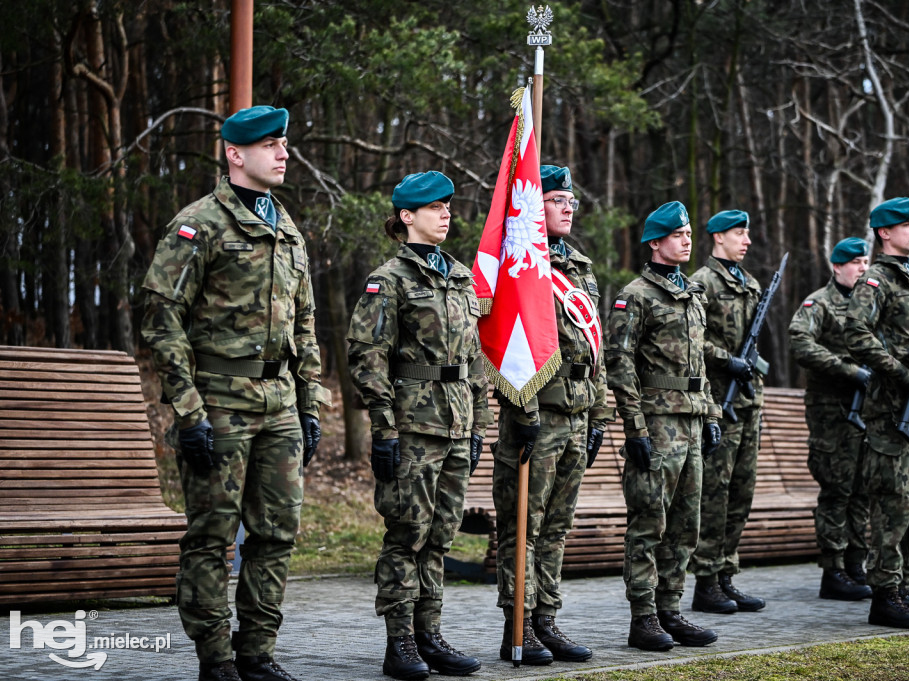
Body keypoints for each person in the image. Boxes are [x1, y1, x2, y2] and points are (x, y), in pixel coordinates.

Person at [141, 105, 331, 681]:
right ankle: (216, 657)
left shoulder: (286, 225)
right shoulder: (199, 223)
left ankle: (257, 652)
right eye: (271, 144)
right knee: (212, 535)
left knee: (277, 533)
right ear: (234, 153)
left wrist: (309, 401)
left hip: (279, 405)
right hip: (219, 403)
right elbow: (162, 316)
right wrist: (188, 407)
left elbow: (305, 323)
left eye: (285, 143)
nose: (283, 152)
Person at [347, 171, 490, 680]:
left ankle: (429, 633)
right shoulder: (390, 279)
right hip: (413, 426)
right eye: (434, 207)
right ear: (407, 216)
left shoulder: (459, 276)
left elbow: (475, 358)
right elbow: (367, 356)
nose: (446, 213)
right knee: (407, 534)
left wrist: (478, 426)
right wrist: (384, 430)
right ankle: (400, 641)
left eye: (449, 206)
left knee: (441, 536)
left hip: (456, 424)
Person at [491, 165, 613, 665]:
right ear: (532, 205)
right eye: (557, 199)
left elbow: (594, 349)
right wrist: (522, 410)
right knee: (524, 525)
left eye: (571, 201)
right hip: (538, 417)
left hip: (578, 415)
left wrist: (600, 415)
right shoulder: (520, 264)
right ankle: (517, 624)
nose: (567, 208)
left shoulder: (579, 266)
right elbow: (505, 348)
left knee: (557, 527)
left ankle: (547, 620)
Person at [605, 202, 722, 651]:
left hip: (692, 421)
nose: (687, 240)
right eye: (677, 234)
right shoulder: (635, 295)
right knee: (649, 522)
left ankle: (671, 610)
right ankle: (644, 617)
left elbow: (699, 365)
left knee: (685, 525)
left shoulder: (693, 293)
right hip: (657, 422)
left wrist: (711, 415)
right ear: (655, 243)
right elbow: (620, 363)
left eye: (689, 233)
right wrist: (635, 429)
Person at [844, 197, 909, 629]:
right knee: (894, 504)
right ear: (885, 232)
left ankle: (904, 588)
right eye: (907, 225)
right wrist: (903, 375)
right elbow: (856, 333)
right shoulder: (875, 281)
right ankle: (884, 594)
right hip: (891, 410)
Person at [689, 210, 767, 614]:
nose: (747, 240)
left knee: (742, 492)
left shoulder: (750, 283)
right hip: (719, 400)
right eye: (740, 233)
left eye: (747, 233)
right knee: (715, 494)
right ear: (718, 237)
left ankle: (725, 576)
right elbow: (694, 339)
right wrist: (726, 360)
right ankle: (706, 580)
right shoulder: (702, 283)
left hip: (749, 400)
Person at [788, 237, 874, 602]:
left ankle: (857, 564)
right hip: (831, 410)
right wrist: (846, 369)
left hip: (866, 409)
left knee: (861, 490)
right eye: (855, 262)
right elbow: (800, 342)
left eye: (866, 261)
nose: (862, 268)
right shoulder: (819, 302)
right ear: (837, 266)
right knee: (837, 489)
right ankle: (834, 569)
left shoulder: (869, 303)